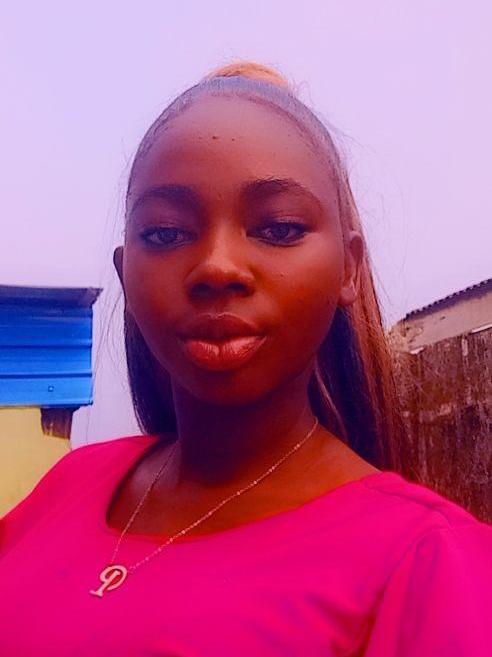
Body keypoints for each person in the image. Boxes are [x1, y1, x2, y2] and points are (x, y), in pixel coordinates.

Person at [0, 60, 491, 657]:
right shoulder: (68, 488)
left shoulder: (427, 568)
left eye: (279, 228)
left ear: (349, 269)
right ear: (126, 273)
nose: (217, 267)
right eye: (166, 233)